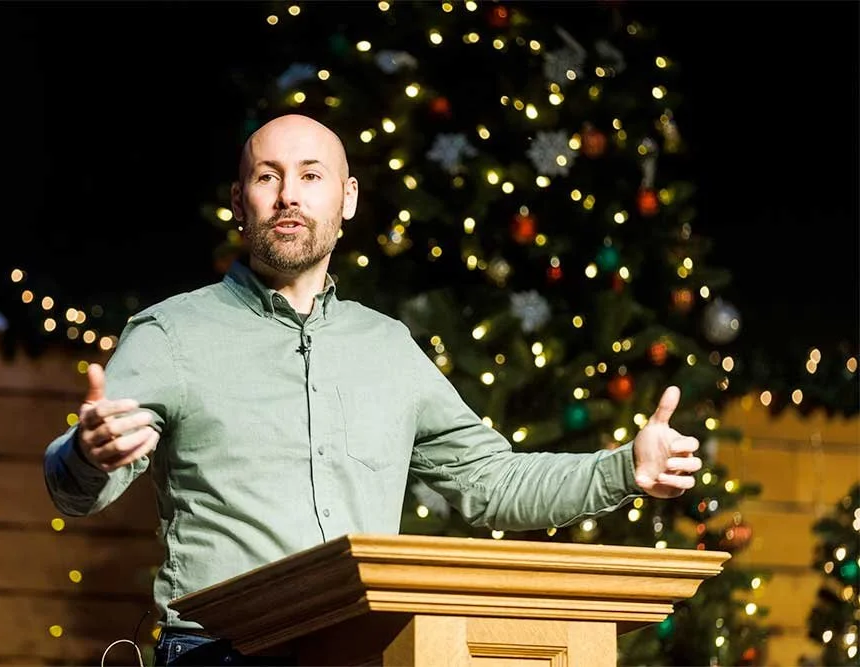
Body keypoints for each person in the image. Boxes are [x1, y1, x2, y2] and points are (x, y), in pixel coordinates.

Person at [43, 113, 702, 666]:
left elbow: (491, 482)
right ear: (240, 202)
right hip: (219, 651)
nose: (289, 196)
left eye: (311, 176)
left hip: (361, 650)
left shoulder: (388, 347)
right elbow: (76, 488)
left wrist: (627, 469)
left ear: (347, 198)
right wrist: (87, 453)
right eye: (268, 177)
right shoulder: (170, 333)